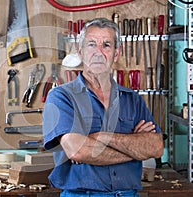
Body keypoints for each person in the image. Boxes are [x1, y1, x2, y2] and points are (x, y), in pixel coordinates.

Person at [42, 18, 164, 197]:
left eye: (106, 45)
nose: (98, 52)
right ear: (80, 51)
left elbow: (155, 147)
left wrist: (101, 137)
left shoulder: (132, 100)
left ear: (116, 53)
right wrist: (135, 149)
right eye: (91, 44)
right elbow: (78, 151)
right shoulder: (61, 97)